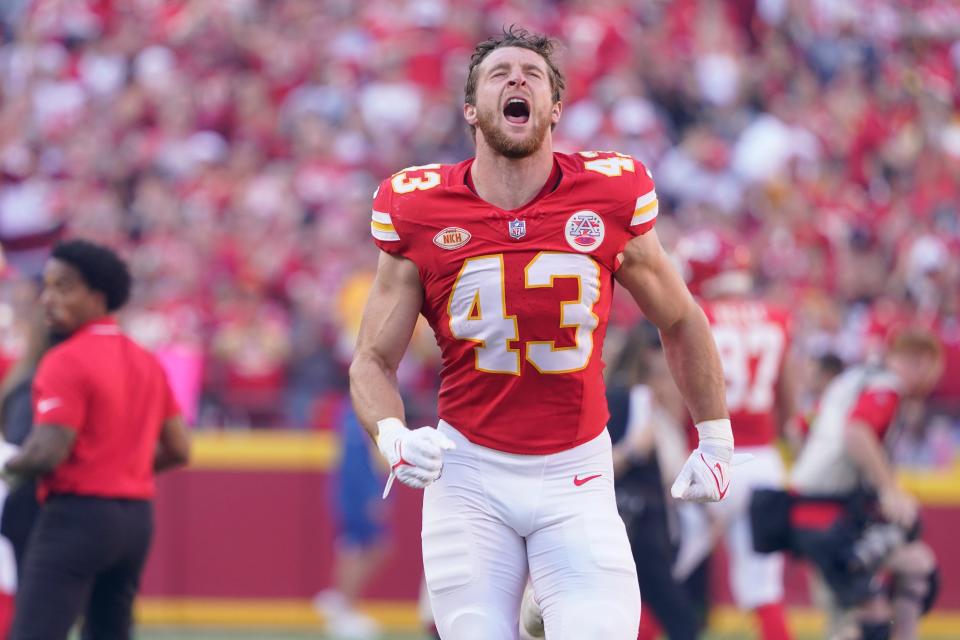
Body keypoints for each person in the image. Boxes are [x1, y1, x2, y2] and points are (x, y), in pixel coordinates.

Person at [350, 26, 738, 639]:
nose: (517, 80)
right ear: (471, 110)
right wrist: (391, 433)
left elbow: (681, 317)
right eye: (499, 72)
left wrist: (715, 437)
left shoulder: (609, 194)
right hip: (469, 474)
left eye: (532, 73)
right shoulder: (418, 208)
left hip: (577, 473)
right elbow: (372, 358)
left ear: (555, 108)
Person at [1, 239, 191, 640]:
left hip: (76, 515)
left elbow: (47, 452)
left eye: (63, 287)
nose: (48, 299)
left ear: (98, 294)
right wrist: (124, 467)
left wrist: (7, 467)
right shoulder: (145, 359)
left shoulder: (65, 359)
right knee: (109, 632)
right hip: (136, 520)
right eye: (47, 287)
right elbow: (179, 448)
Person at [673, 229, 795, 640]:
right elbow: (787, 404)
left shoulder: (697, 314)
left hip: (710, 457)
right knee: (766, 592)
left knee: (661, 577)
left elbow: (679, 401)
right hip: (764, 462)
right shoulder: (777, 316)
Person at [785, 329, 943, 640]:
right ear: (923, 361)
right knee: (866, 622)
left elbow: (796, 429)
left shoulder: (851, 381)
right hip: (829, 515)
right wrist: (889, 490)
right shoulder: (887, 386)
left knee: (916, 567)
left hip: (810, 509)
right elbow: (857, 432)